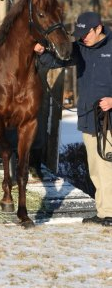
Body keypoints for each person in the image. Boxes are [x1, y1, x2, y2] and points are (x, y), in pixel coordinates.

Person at [34, 11, 112, 226]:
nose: (82, 37)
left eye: (85, 33)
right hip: (89, 118)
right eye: (79, 34)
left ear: (99, 28)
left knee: (107, 167)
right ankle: (105, 213)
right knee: (96, 168)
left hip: (109, 117)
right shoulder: (82, 48)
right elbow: (59, 61)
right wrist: (42, 54)